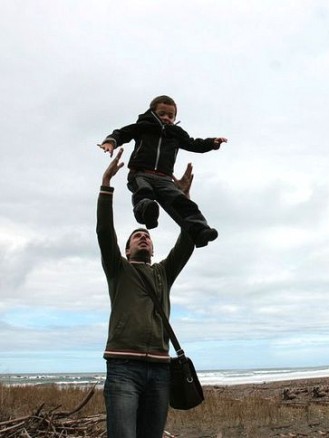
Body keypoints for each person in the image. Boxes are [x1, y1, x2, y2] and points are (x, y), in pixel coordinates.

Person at [97, 148, 196, 438]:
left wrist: (183, 198)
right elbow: (104, 232)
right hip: (122, 368)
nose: (143, 237)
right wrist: (106, 184)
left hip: (161, 369)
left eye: (147, 237)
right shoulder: (118, 269)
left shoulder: (163, 272)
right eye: (137, 237)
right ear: (127, 250)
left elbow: (188, 240)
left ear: (152, 249)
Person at [99, 95, 227, 248]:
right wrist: (110, 142)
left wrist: (211, 143)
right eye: (162, 114)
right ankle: (146, 212)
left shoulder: (176, 133)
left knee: (182, 202)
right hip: (141, 172)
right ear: (152, 113)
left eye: (171, 116)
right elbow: (122, 133)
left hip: (165, 178)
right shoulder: (143, 126)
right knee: (144, 192)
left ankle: (200, 231)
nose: (166, 118)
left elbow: (193, 144)